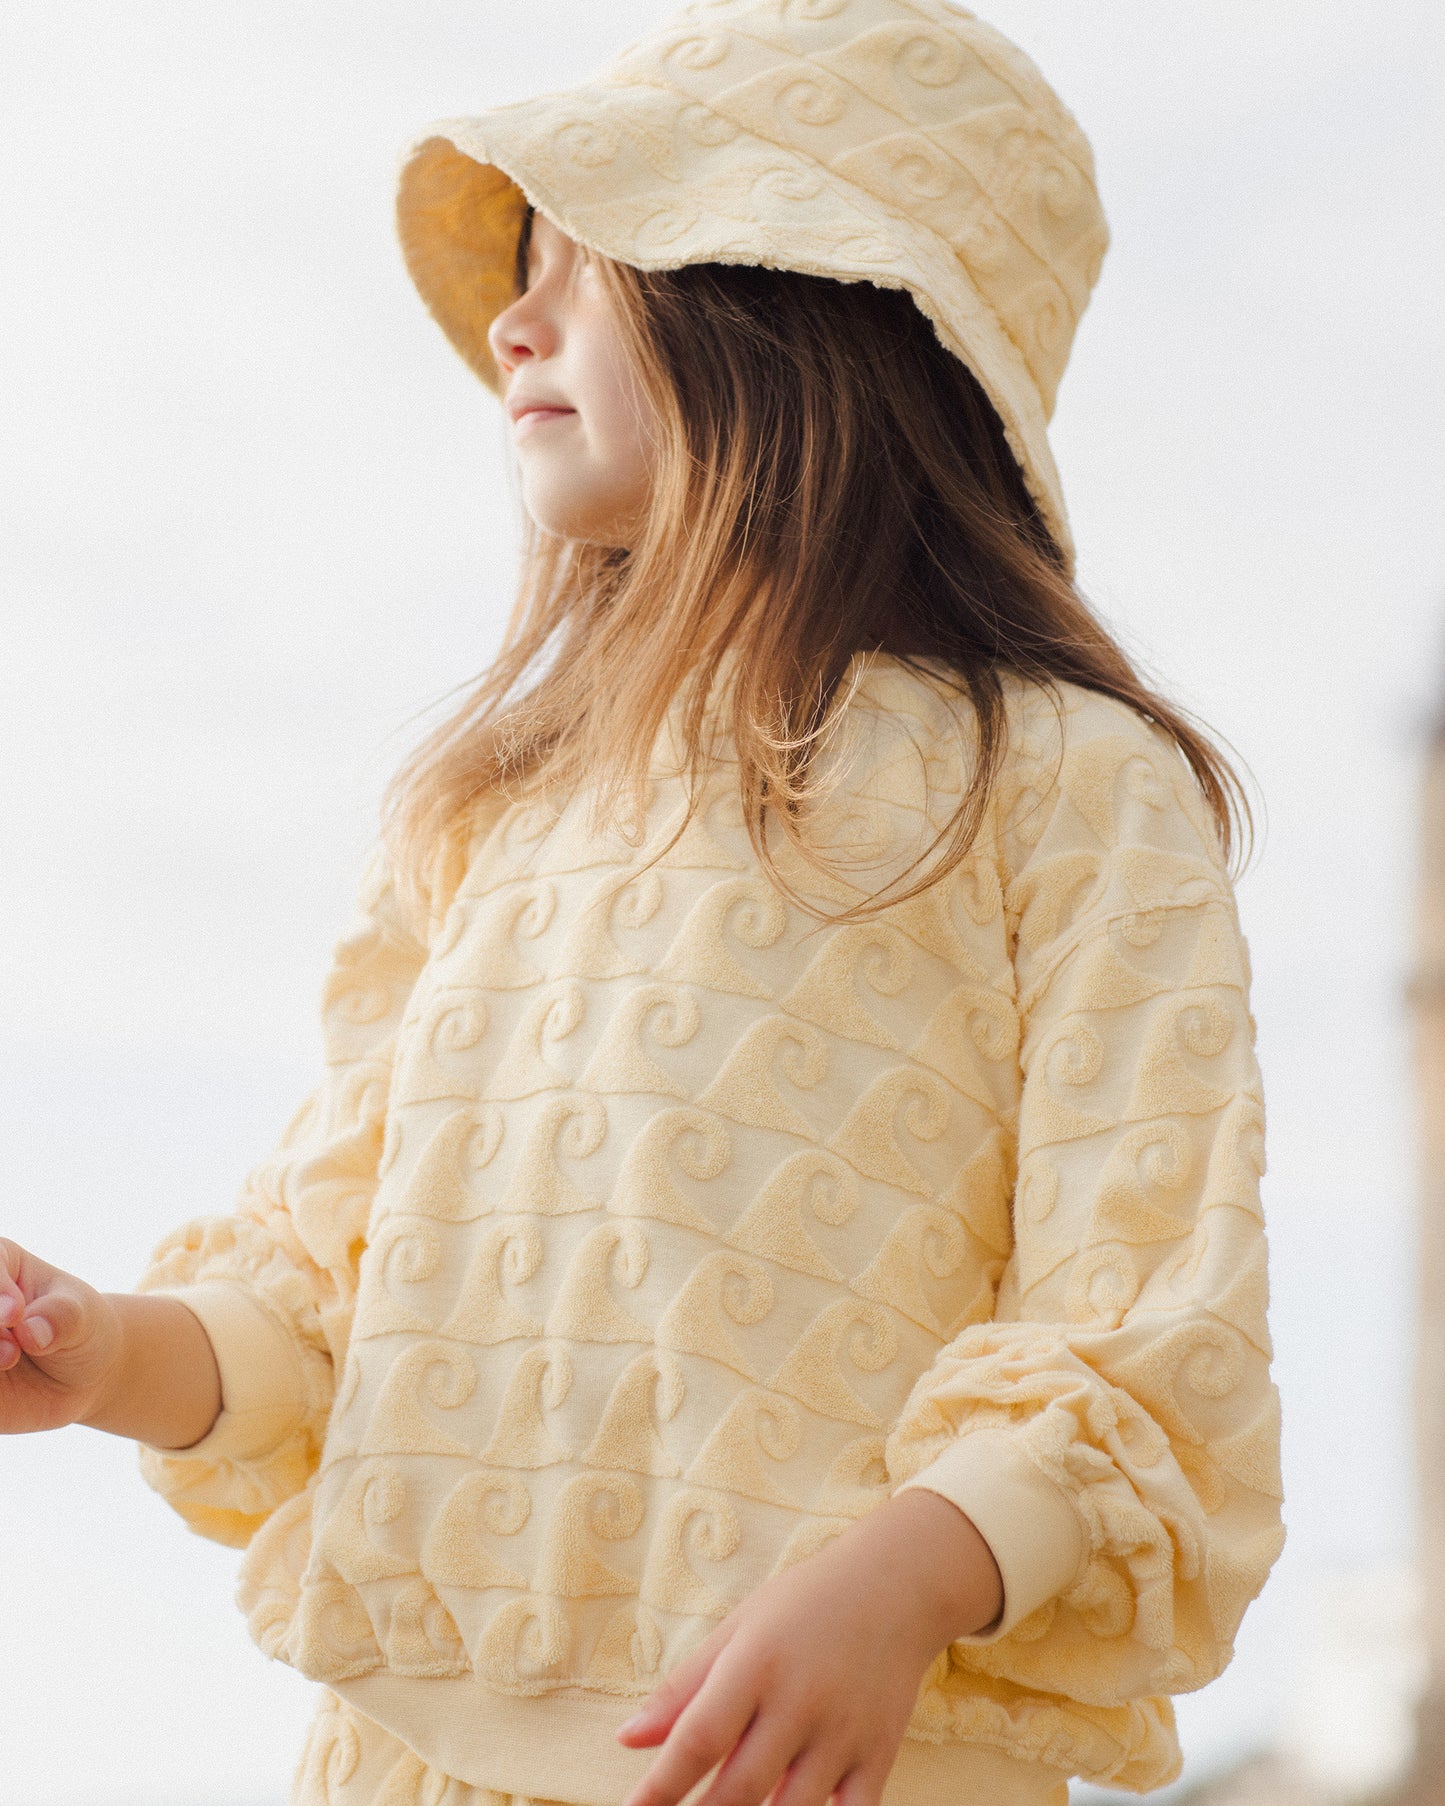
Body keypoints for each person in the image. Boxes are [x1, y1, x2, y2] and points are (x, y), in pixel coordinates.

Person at [0, 3, 1286, 1804]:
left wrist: (893, 1582)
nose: (513, 323)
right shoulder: (489, 814)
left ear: (799, 293)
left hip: (844, 1763)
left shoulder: (1066, 785)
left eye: (587, 264)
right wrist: (98, 1346)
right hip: (407, 1752)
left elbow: (1145, 1324)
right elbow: (328, 1307)